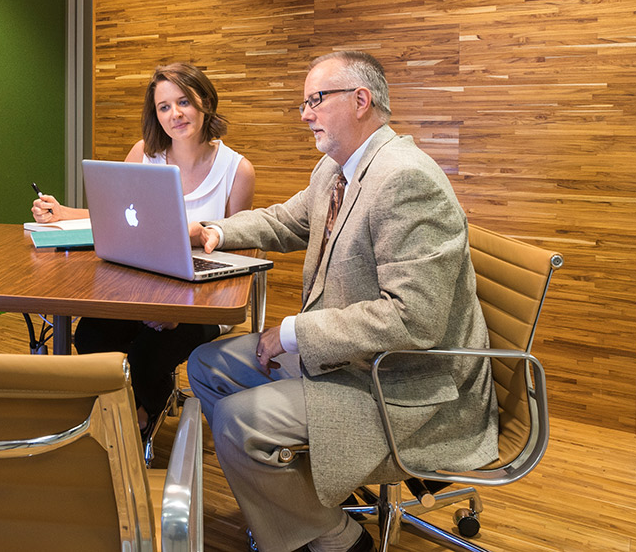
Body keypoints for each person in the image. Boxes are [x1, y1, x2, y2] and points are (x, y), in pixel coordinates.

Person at [185, 51, 496, 552]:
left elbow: (413, 319)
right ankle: (306, 502)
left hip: (408, 381)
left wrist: (290, 333)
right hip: (356, 360)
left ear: (360, 100)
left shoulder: (404, 179)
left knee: (240, 420)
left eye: (315, 100)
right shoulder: (337, 170)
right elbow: (284, 222)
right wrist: (213, 231)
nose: (305, 113)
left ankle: (338, 538)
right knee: (205, 364)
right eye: (304, 102)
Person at [32, 62, 256, 436]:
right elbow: (118, 218)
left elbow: (238, 252)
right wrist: (62, 212)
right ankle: (118, 411)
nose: (175, 114)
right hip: (137, 289)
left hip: (197, 301)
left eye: (184, 101)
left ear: (206, 101)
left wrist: (176, 310)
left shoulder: (237, 170)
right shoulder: (144, 153)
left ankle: (139, 419)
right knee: (91, 335)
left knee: (150, 351)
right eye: (163, 107)